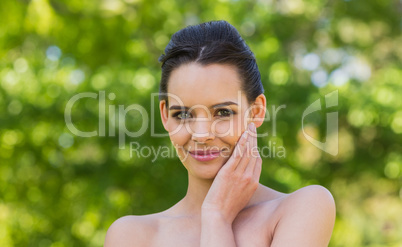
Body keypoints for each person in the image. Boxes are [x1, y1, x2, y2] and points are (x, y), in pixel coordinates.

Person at [105, 20, 335, 247]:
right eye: (183, 114)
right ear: (165, 116)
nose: (201, 135)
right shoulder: (130, 236)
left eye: (223, 112)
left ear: (256, 111)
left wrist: (217, 217)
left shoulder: (302, 208)